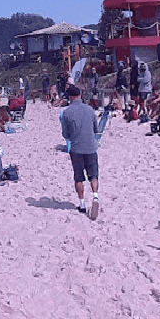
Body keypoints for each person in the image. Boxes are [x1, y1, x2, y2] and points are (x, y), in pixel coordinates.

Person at [60, 85, 100, 219]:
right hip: (91, 147)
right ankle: (95, 196)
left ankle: (82, 204)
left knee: (78, 177)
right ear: (80, 95)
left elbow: (65, 134)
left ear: (70, 97)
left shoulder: (66, 113)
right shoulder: (89, 110)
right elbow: (96, 129)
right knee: (93, 175)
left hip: (76, 149)